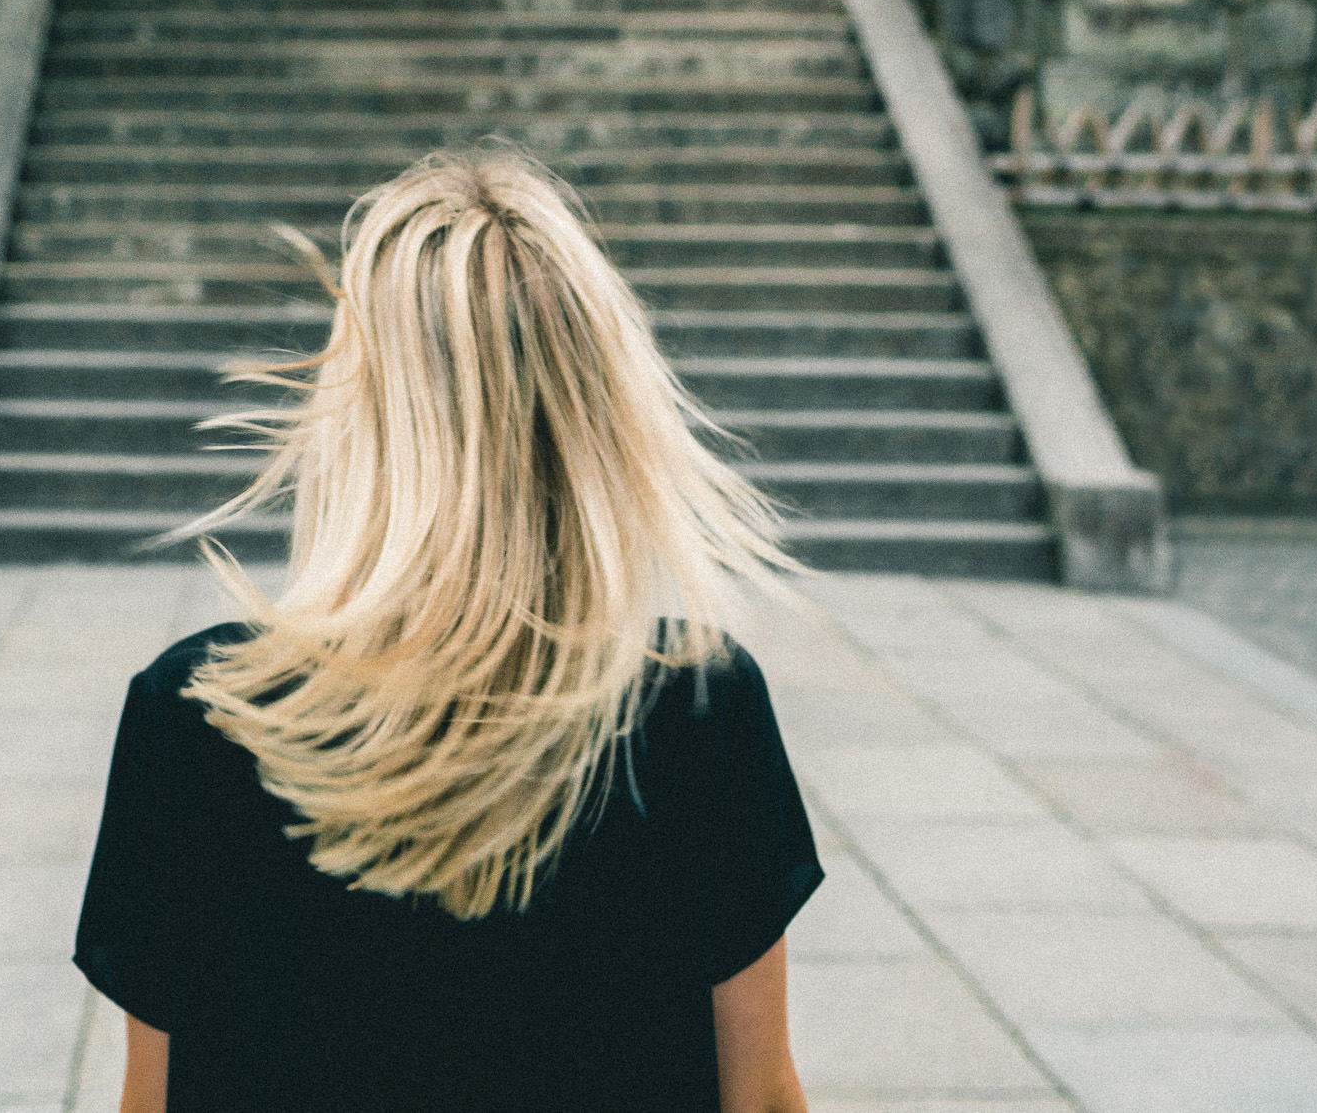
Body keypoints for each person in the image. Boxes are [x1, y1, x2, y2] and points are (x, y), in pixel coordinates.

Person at [75, 148, 822, 1113]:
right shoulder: (697, 712)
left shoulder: (203, 720)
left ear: (364, 417)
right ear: (597, 415)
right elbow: (758, 1099)